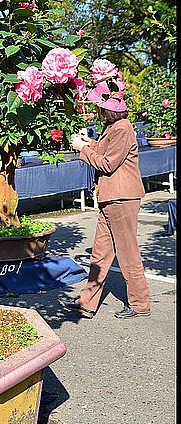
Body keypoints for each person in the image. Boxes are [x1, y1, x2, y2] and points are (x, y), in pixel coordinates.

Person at [64, 89, 151, 319]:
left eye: (99, 107)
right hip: (111, 198)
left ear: (107, 110)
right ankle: (87, 302)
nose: (96, 111)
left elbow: (108, 163)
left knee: (127, 252)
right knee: (101, 253)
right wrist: (89, 142)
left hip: (121, 198)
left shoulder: (122, 128)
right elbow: (106, 149)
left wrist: (82, 150)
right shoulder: (113, 128)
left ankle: (140, 303)